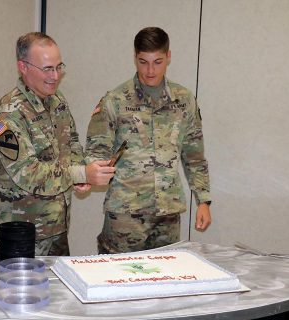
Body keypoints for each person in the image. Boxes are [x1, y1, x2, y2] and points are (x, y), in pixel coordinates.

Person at [0, 32, 114, 256]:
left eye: (58, 66)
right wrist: (80, 174)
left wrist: (80, 171)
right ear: (23, 67)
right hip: (22, 235)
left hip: (57, 227)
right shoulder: (8, 116)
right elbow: (28, 174)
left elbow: (71, 143)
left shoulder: (56, 101)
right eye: (47, 69)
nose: (55, 76)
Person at [85, 27, 212, 254]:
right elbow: (96, 151)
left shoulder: (184, 101)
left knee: (165, 281)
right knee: (118, 280)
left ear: (168, 57)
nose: (150, 71)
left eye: (158, 62)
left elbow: (194, 156)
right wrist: (88, 173)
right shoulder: (114, 101)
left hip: (168, 214)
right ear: (135, 58)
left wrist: (203, 200)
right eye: (143, 62)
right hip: (125, 215)